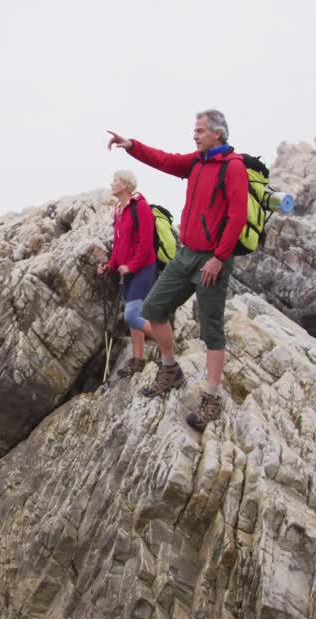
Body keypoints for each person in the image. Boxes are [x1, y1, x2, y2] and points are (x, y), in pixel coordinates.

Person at [105, 109, 247, 431]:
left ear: (217, 134)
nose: (194, 136)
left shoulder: (233, 167)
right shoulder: (196, 162)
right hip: (186, 255)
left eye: (199, 131)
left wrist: (219, 257)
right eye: (194, 131)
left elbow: (237, 217)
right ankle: (171, 370)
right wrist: (131, 145)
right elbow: (165, 161)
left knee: (210, 328)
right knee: (154, 308)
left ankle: (212, 397)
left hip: (213, 260)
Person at [97, 169, 156, 378]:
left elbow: (146, 245)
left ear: (126, 185)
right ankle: (138, 360)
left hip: (143, 269)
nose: (112, 184)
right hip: (127, 271)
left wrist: (131, 266)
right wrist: (109, 266)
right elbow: (119, 245)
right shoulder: (118, 210)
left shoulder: (140, 207)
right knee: (133, 320)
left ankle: (167, 342)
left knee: (131, 314)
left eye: (115, 180)